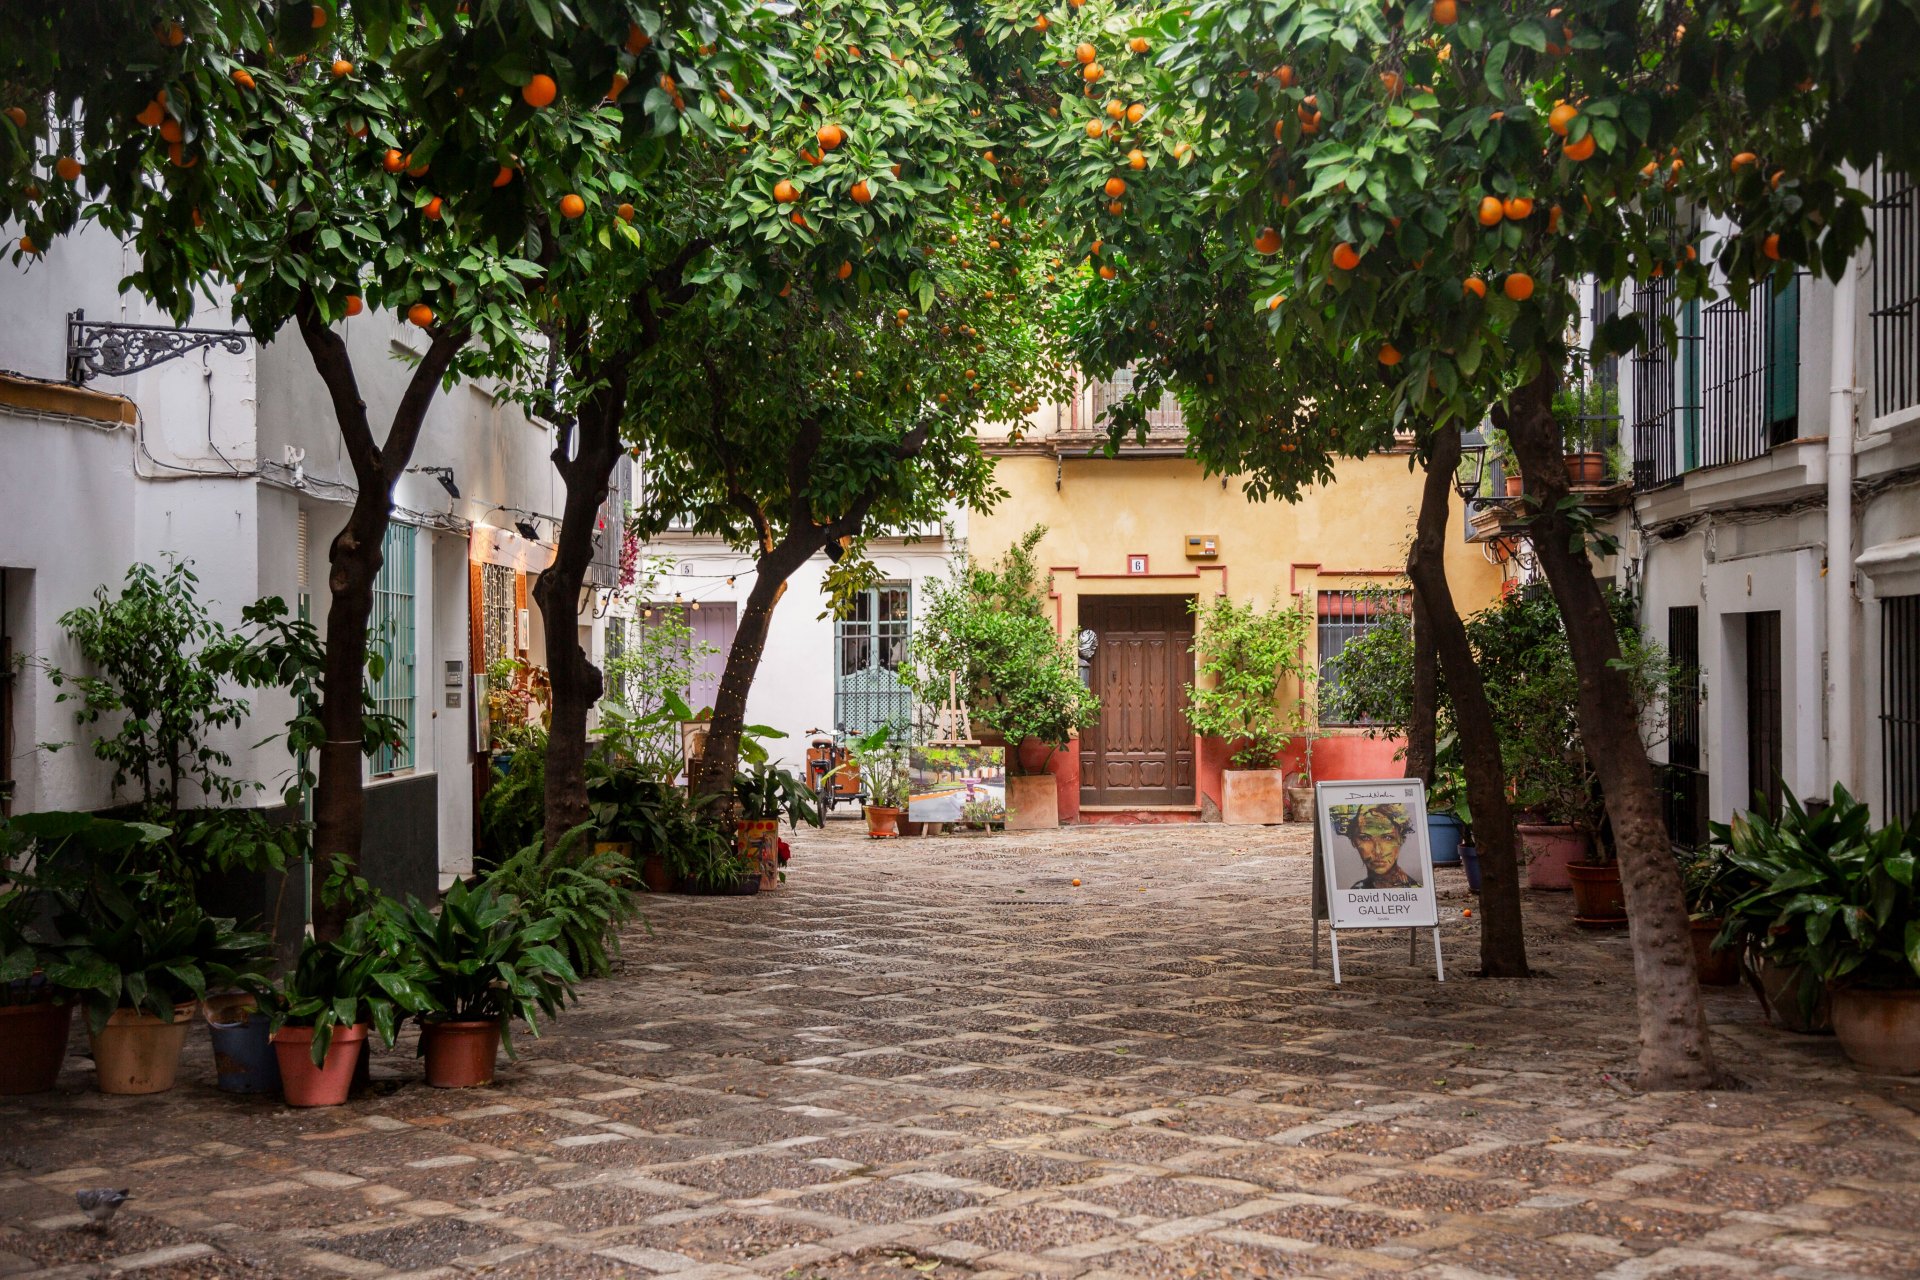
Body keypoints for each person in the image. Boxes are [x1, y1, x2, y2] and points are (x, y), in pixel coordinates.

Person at [1333, 803, 1422, 889]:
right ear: (1353, 841)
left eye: (1387, 838)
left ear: (1401, 839)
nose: (1378, 851)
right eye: (1365, 838)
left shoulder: (1416, 892)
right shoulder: (1357, 891)